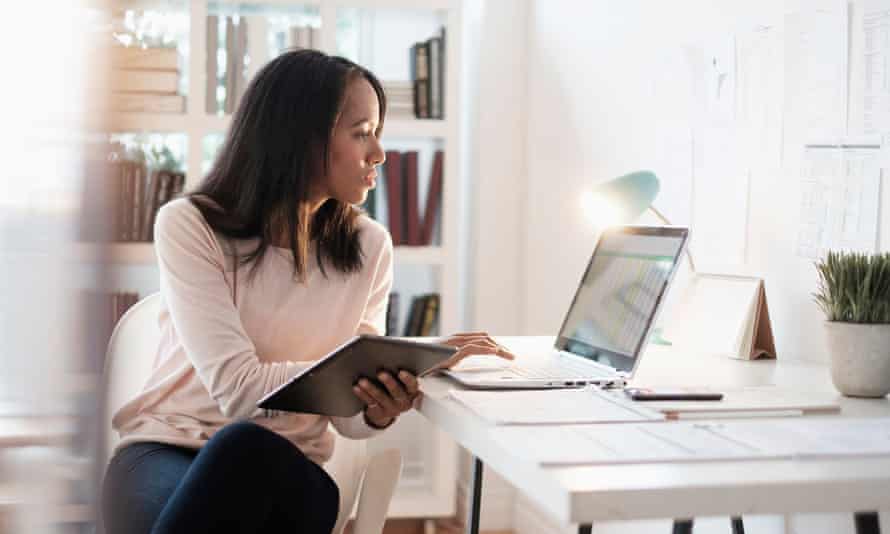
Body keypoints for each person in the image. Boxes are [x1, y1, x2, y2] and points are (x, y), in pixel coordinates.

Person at [101, 49, 514, 534]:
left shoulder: (368, 246)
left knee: (245, 448)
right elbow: (237, 391)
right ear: (300, 138)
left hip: (288, 468)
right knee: (233, 450)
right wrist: (371, 366)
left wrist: (376, 407)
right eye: (362, 133)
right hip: (164, 450)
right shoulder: (191, 225)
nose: (379, 153)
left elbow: (349, 422)